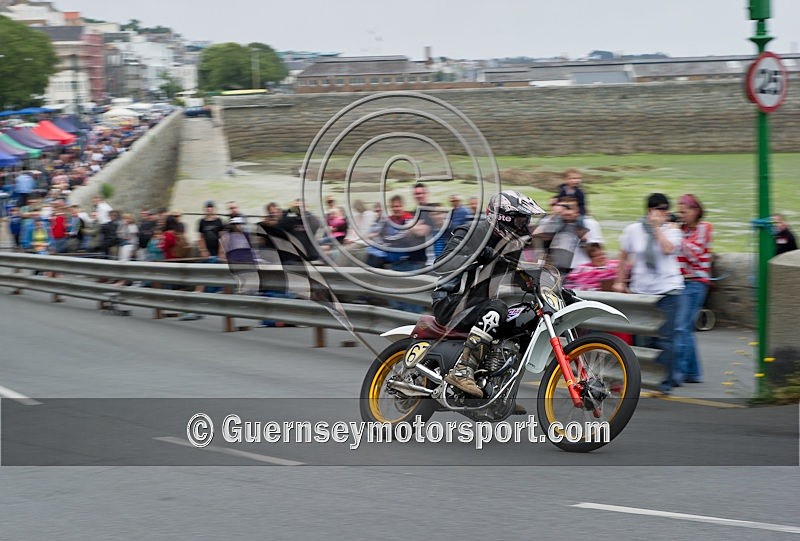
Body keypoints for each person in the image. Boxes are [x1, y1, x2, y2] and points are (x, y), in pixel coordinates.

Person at [433, 190, 546, 399]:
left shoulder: (512, 245)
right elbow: (442, 264)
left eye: (526, 220)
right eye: (520, 220)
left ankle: (498, 390)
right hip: (451, 302)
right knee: (497, 308)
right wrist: (480, 254)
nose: (523, 226)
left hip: (479, 305)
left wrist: (553, 287)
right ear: (503, 218)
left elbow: (520, 274)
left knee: (522, 320)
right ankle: (462, 371)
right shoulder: (471, 231)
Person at [613, 193, 684, 394]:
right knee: (642, 339)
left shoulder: (672, 230)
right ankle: (644, 381)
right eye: (659, 209)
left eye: (665, 210)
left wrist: (656, 229)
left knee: (665, 339)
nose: (663, 213)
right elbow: (623, 254)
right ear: (649, 211)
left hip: (668, 289)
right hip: (641, 291)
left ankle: (665, 383)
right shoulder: (633, 230)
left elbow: (668, 249)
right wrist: (619, 280)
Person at [675, 194, 713, 384]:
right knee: (685, 328)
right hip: (681, 282)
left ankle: (680, 372)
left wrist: (677, 236)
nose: (683, 215)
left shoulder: (704, 228)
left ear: (696, 211)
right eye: (680, 211)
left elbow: (696, 254)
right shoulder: (680, 229)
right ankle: (693, 372)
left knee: (682, 327)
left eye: (686, 211)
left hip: (696, 283)